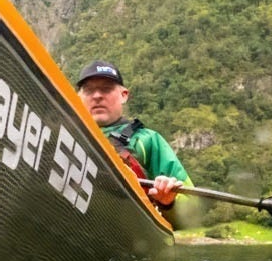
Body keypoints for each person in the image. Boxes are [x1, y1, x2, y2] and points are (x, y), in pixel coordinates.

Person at [72, 60, 191, 213]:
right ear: (78, 97)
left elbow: (190, 207)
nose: (97, 96)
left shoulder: (147, 140)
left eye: (106, 89)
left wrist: (168, 202)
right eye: (88, 90)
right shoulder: (61, 134)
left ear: (124, 95)